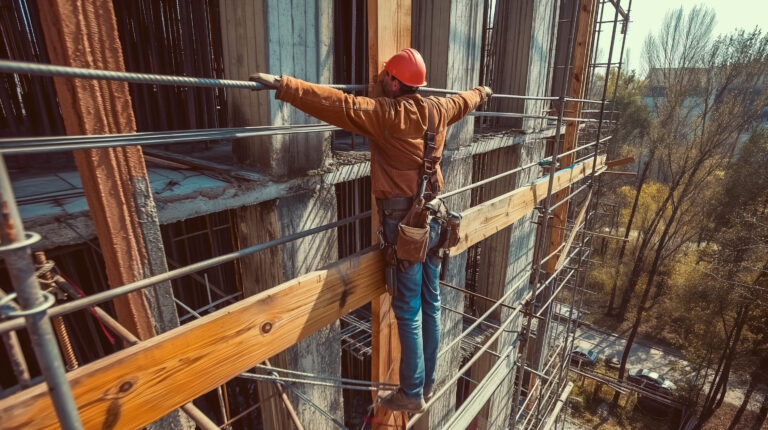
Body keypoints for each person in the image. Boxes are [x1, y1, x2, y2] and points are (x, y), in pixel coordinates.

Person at [250, 48, 491, 413]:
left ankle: (412, 392)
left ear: (395, 82)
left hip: (405, 227)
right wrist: (481, 92)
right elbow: (463, 101)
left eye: (385, 78)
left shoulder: (387, 115)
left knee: (408, 310)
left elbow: (338, 104)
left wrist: (285, 87)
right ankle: (424, 384)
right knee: (432, 305)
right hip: (434, 218)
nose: (381, 82)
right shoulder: (437, 109)